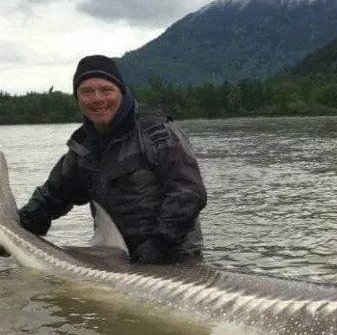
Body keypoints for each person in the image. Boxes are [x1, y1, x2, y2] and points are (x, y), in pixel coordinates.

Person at [18, 54, 207, 264]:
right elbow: (52, 197)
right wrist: (18, 227)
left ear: (121, 92)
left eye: (106, 90)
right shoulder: (83, 147)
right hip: (115, 259)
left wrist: (160, 244)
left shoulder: (157, 133)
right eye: (87, 92)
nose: (97, 99)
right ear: (78, 98)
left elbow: (188, 193)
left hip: (174, 258)